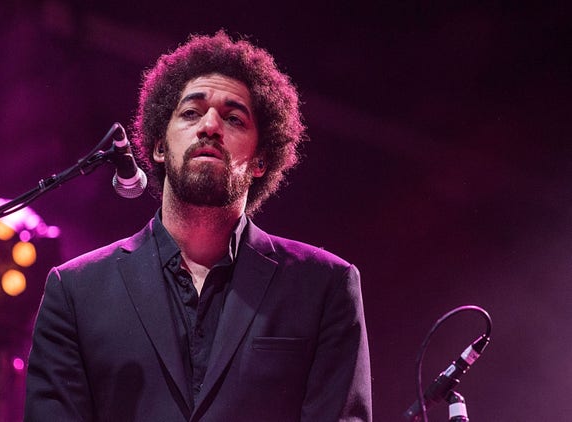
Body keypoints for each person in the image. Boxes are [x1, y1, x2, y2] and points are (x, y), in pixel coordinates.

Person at [24, 30, 371, 421]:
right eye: (191, 113)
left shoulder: (324, 286)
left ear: (260, 161)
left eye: (234, 118)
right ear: (159, 146)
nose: (210, 126)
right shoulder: (75, 291)